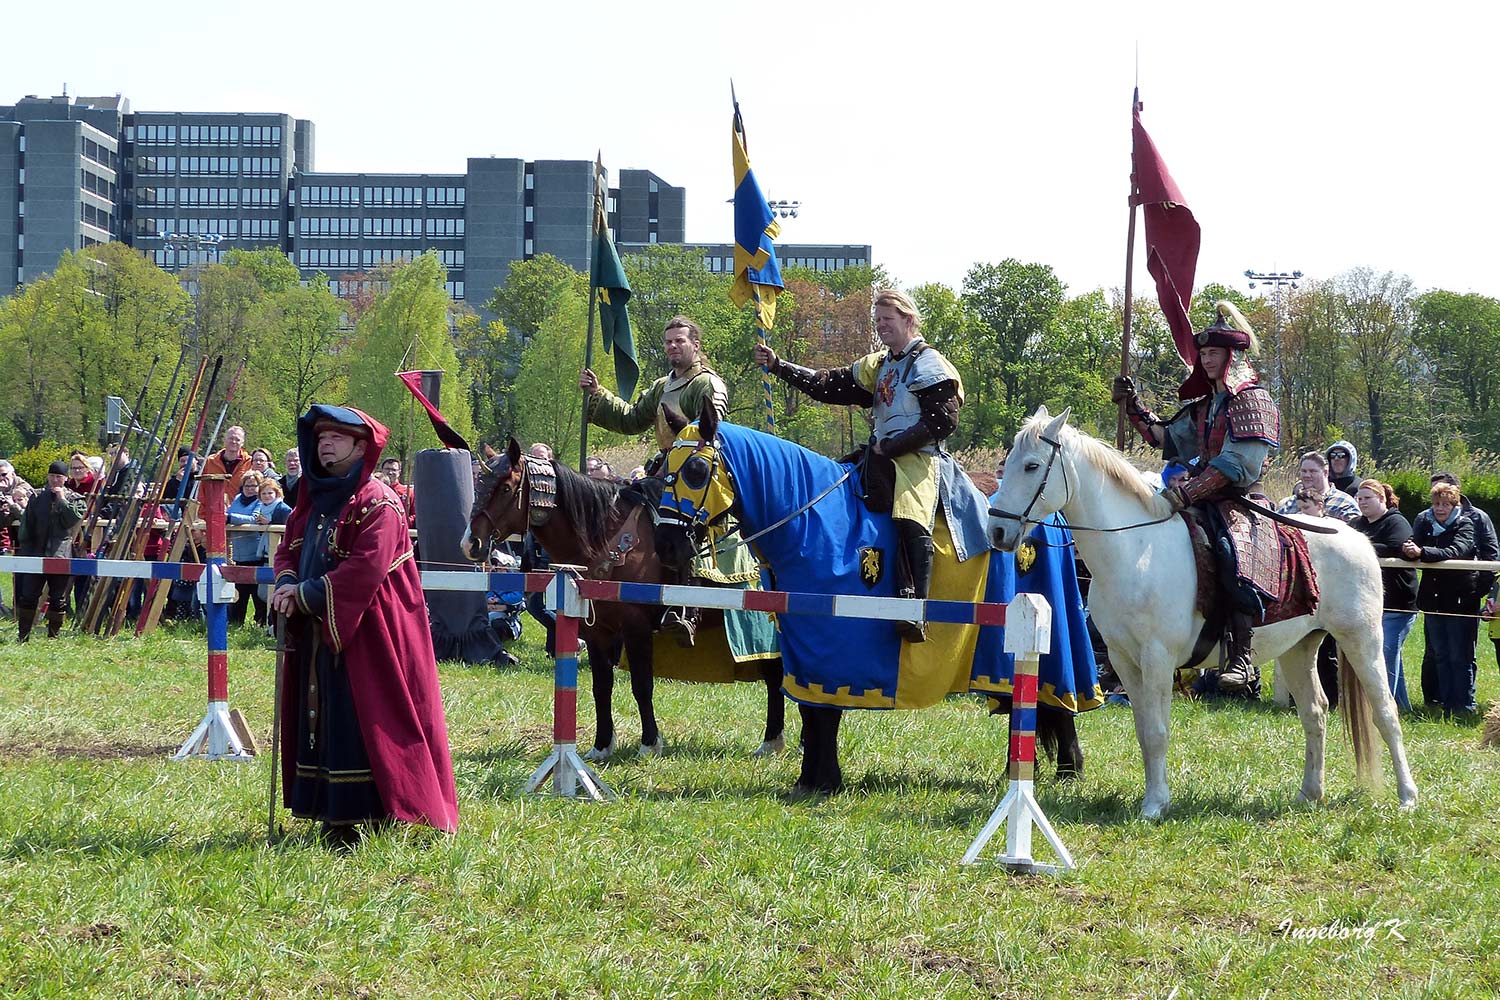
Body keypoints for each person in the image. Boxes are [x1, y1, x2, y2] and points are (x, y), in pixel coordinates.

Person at [268, 405, 458, 841]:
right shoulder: (312, 501)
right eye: (320, 438)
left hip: (374, 634)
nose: (325, 444)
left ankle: (373, 814)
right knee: (324, 716)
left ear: (361, 446)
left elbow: (365, 570)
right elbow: (288, 550)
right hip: (325, 628)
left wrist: (305, 594)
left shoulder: (379, 503)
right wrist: (287, 582)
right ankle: (330, 810)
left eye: (335, 437)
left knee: (365, 718)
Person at [755, 288, 965, 643]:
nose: (881, 325)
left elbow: (942, 421)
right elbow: (828, 384)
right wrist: (779, 366)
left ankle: (914, 606)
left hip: (918, 459)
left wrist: (892, 446)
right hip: (879, 452)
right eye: (878, 320)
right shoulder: (879, 365)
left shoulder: (930, 363)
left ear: (908, 320)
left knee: (910, 515)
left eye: (888, 319)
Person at [1112, 302, 1281, 691]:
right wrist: (1134, 405)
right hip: (1201, 500)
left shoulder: (1253, 401)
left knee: (1230, 550)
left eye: (1213, 353)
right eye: (1202, 353)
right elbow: (1164, 438)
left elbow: (1237, 465)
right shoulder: (1205, 406)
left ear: (1231, 356)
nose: (1205, 360)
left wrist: (1183, 494)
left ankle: (1241, 654)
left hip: (1243, 501)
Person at [581, 315, 729, 644]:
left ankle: (686, 611)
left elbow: (713, 435)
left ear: (696, 345)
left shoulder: (707, 384)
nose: (673, 346)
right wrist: (598, 393)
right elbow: (632, 418)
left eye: (680, 340)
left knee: (681, 529)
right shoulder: (662, 387)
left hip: (696, 475)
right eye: (669, 341)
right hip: (662, 472)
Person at [1402, 481, 1478, 717]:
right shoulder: (1425, 523)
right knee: (1441, 655)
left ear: (1455, 504)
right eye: (1436, 504)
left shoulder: (1466, 524)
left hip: (1460, 600)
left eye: (1445, 504)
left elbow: (1456, 551)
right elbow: (1413, 544)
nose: (1440, 508)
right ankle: (1446, 704)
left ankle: (1464, 706)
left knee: (1459, 655)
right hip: (1433, 600)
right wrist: (1408, 548)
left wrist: (1422, 552)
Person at [1354, 479, 1418, 712]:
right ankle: (1401, 705)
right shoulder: (1357, 524)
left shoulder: (1396, 521)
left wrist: (1359, 546)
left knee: (1385, 653)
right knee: (1388, 654)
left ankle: (1381, 707)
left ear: (1382, 499)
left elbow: (1394, 546)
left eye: (1367, 498)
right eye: (1359, 498)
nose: (1362, 502)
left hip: (1398, 604)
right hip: (1371, 604)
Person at [15, 461, 87, 641]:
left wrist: (62, 499)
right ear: (48, 476)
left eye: (59, 477)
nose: (55, 480)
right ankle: (23, 635)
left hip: (60, 553)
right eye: (53, 476)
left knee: (58, 598)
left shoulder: (75, 499)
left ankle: (53, 637)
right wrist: (26, 549)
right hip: (35, 552)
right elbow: (27, 524)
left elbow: (72, 519)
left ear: (65, 478)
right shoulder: (37, 497)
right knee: (28, 596)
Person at [226, 470, 268, 627]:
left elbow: (254, 519)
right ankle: (236, 624)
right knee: (240, 594)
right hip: (239, 555)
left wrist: (230, 518)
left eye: (254, 485)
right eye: (247, 485)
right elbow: (229, 513)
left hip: (255, 553)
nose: (250, 488)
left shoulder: (260, 501)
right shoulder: (237, 499)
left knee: (258, 594)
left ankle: (261, 623)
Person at [1277, 452, 1359, 522]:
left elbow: (1356, 535)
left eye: (1313, 471)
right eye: (1304, 471)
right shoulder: (1290, 503)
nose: (1307, 475)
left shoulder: (1344, 504)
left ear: (1325, 472)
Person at [202, 425, 251, 501]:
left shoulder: (249, 463)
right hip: (214, 508)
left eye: (237, 439)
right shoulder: (211, 461)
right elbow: (202, 489)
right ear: (225, 440)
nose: (233, 442)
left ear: (242, 443)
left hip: (239, 509)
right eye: (231, 438)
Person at [380, 457, 415, 529]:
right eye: (387, 469)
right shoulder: (377, 491)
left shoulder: (408, 492)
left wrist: (402, 522)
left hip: (402, 531)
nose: (390, 472)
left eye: (393, 470)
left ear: (399, 472)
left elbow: (415, 515)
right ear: (381, 471)